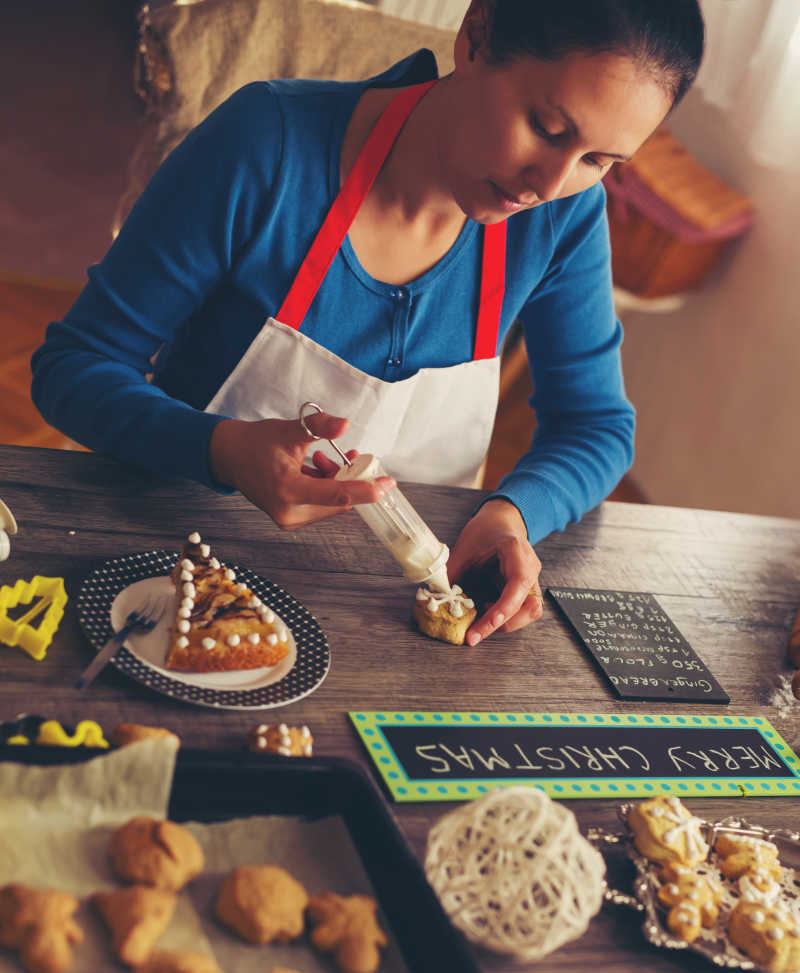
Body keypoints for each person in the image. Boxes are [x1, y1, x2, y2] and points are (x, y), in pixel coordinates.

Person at [31, 0, 704, 646]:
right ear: (475, 35)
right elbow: (74, 366)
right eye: (548, 128)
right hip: (176, 582)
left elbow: (595, 426)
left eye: (598, 161)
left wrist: (515, 513)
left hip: (390, 625)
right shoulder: (268, 144)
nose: (548, 185)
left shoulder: (563, 216)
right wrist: (222, 450)